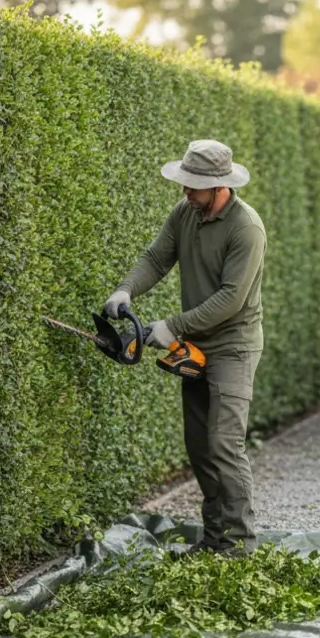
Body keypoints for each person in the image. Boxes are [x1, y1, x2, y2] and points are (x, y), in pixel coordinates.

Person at [103, 139, 267, 557]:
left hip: (234, 346)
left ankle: (240, 546)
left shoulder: (245, 228)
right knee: (199, 444)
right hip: (197, 344)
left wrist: (173, 326)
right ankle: (215, 541)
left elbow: (231, 298)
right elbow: (157, 258)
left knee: (223, 443)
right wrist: (125, 291)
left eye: (193, 185)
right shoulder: (185, 214)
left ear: (219, 186)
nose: (185, 191)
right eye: (185, 183)